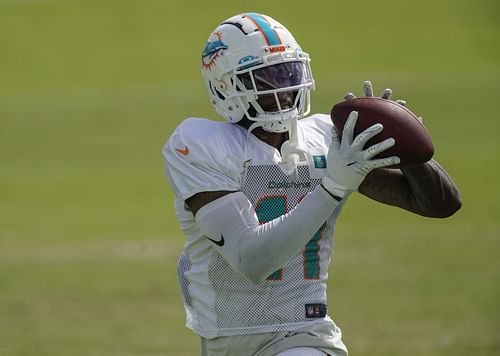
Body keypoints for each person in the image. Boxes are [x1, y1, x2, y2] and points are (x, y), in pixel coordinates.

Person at [162, 13, 461, 356]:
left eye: (289, 72)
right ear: (226, 86)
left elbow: (440, 204)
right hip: (226, 341)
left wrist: (408, 151)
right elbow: (253, 260)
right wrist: (333, 185)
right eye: (267, 77)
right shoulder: (201, 144)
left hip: (304, 335)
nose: (285, 88)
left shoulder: (326, 139)